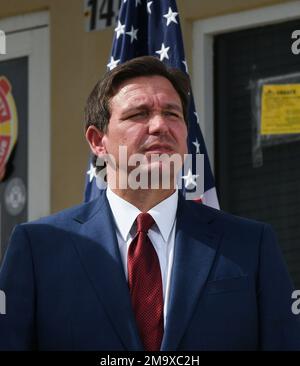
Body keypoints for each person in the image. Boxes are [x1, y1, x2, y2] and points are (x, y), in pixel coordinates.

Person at [0, 56, 299, 351]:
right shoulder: (39, 248)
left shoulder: (250, 244)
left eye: (172, 114)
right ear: (97, 141)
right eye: (138, 114)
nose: (159, 126)